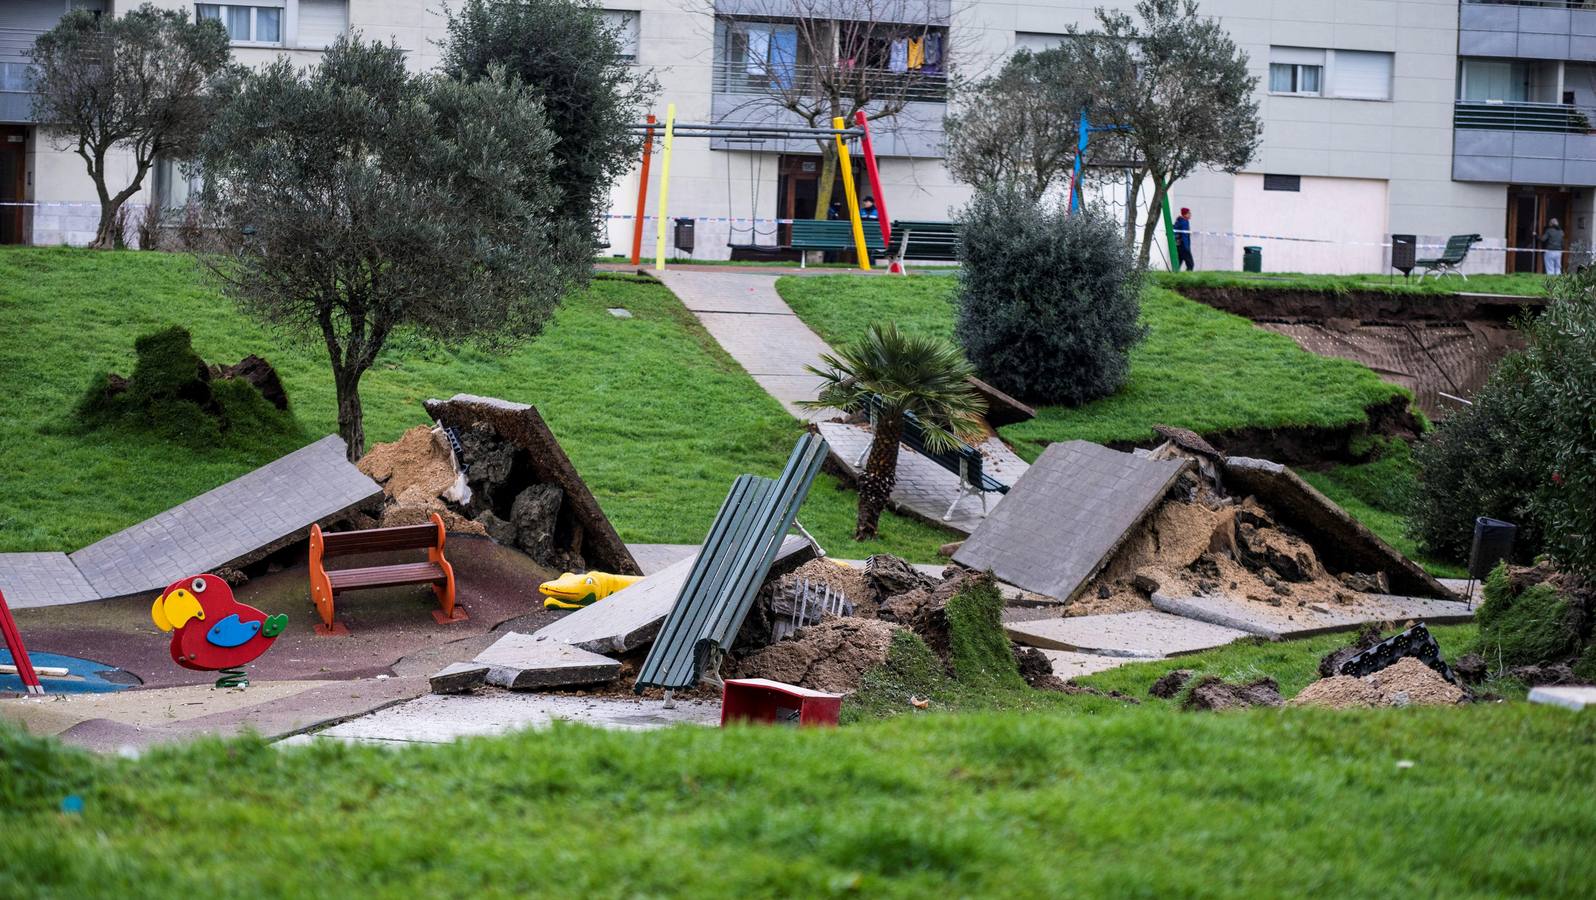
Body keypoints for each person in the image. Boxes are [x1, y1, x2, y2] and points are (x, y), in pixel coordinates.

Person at [1174, 207, 1195, 271]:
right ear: (1185, 214)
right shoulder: (1184, 222)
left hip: (1179, 246)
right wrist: (1187, 248)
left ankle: (1175, 275)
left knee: (1178, 264)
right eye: (1189, 213)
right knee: (1190, 264)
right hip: (1183, 246)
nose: (1190, 214)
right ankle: (1188, 277)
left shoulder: (1179, 221)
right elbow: (1184, 236)